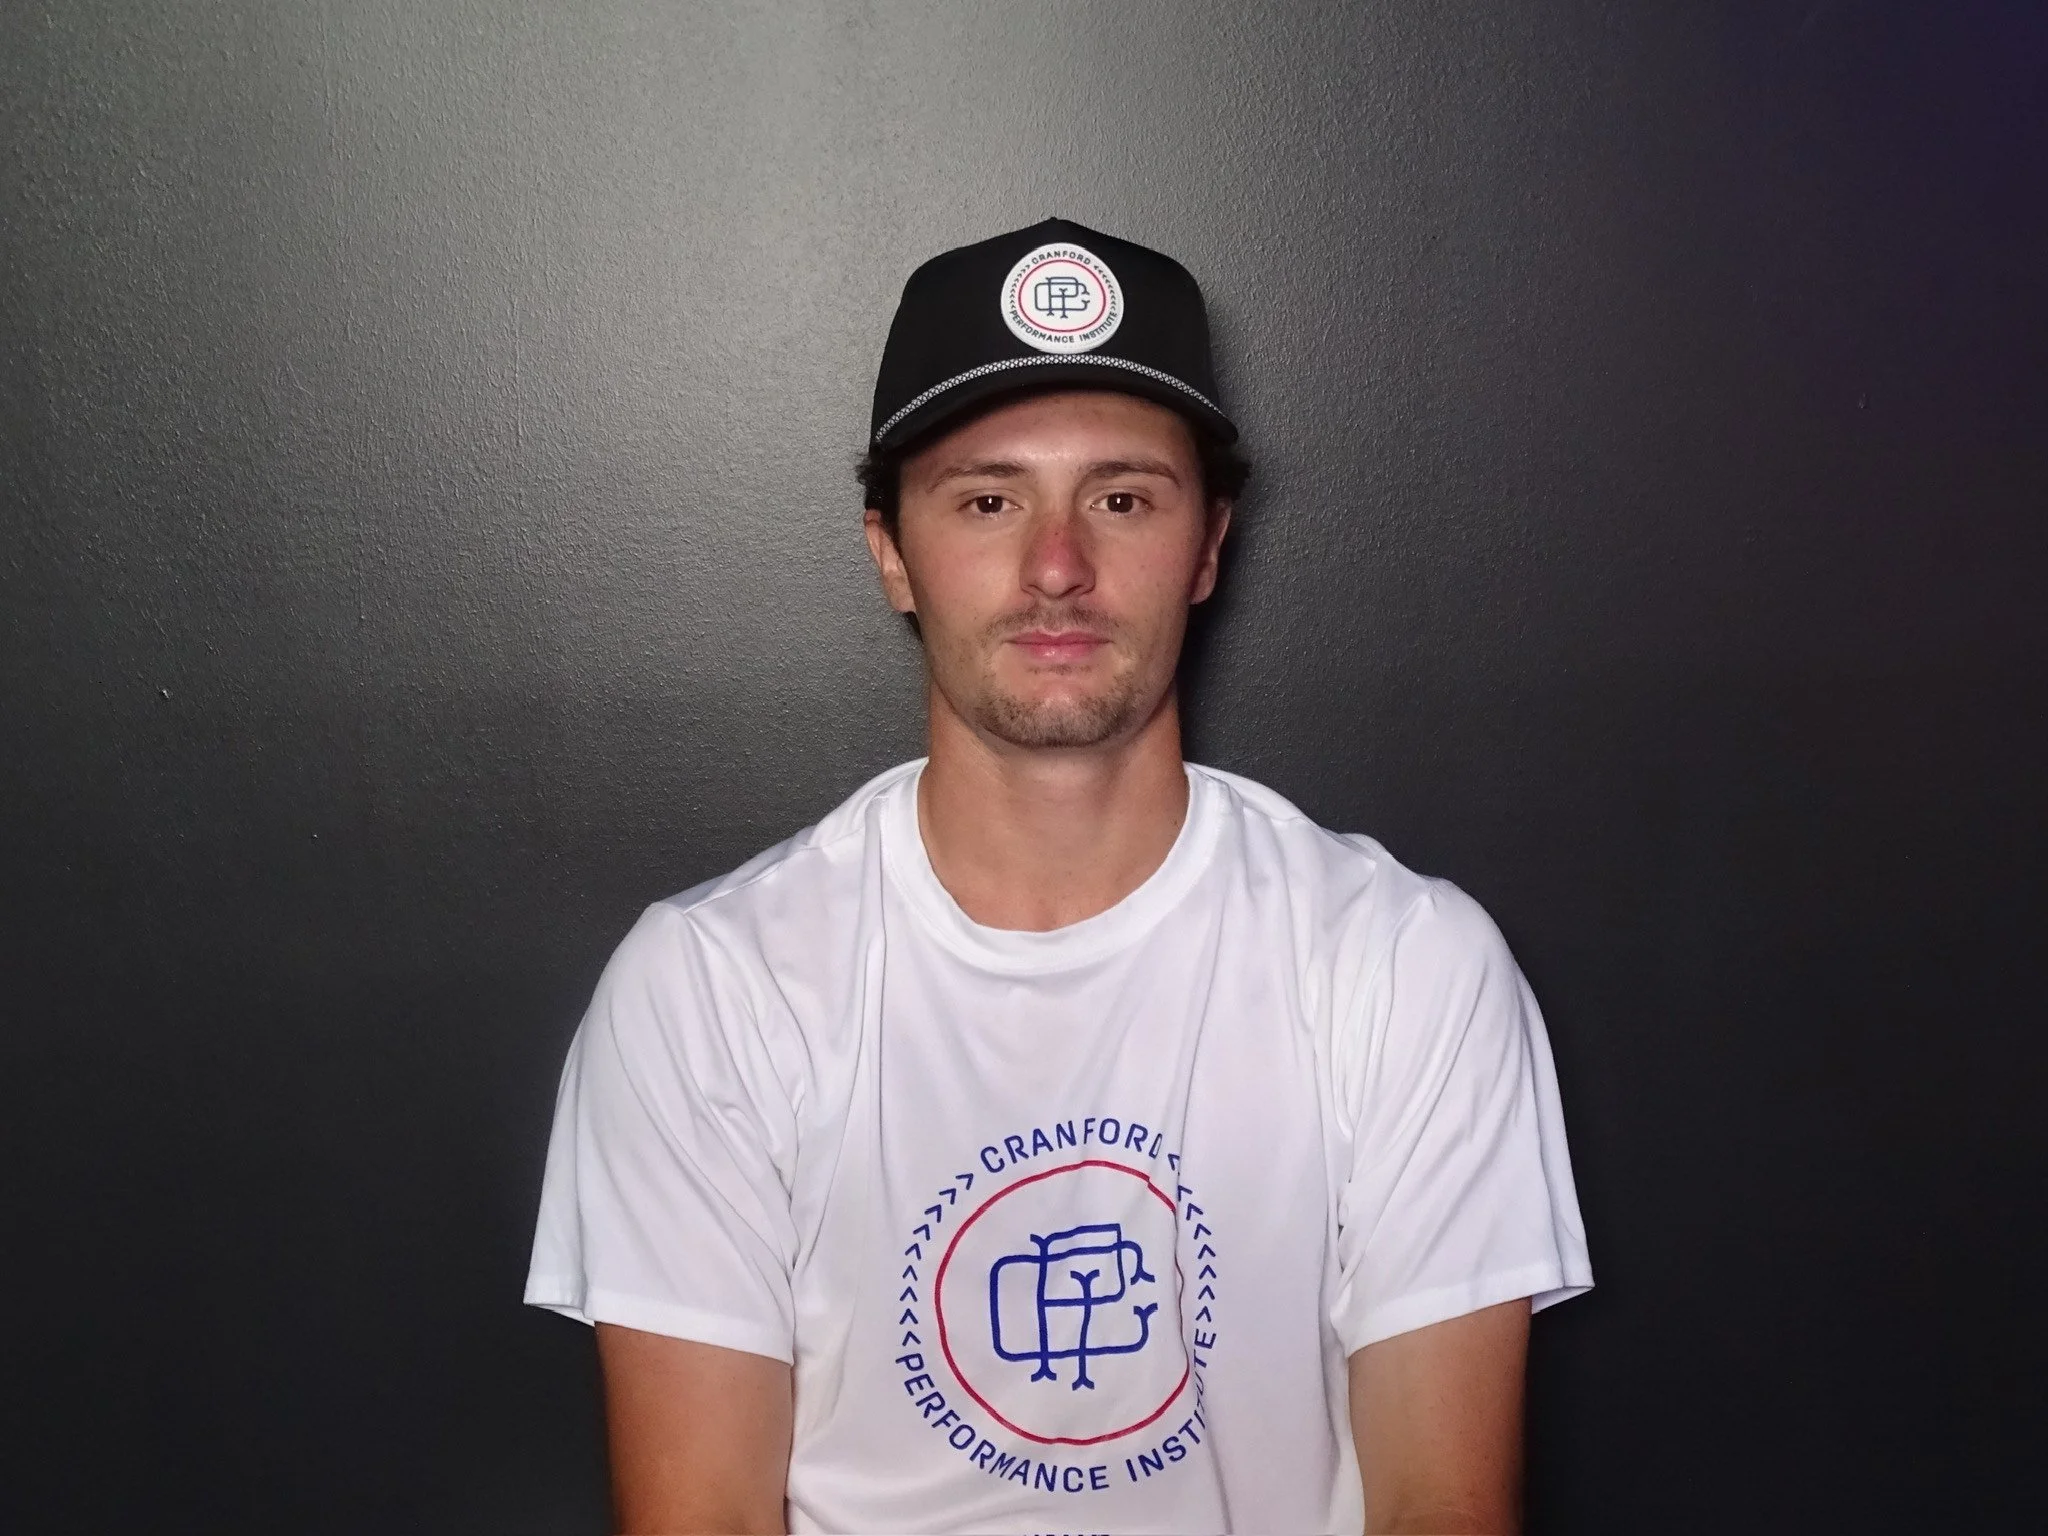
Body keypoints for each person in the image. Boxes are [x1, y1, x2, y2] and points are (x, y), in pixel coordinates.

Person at [525, 218, 1592, 1535]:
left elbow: (1442, 1510)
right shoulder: (709, 989)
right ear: (890, 552)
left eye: (1123, 498)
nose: (1057, 567)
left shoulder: (1404, 963)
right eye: (988, 500)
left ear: (1209, 545)